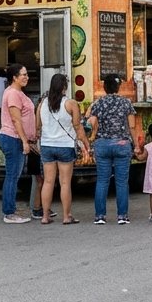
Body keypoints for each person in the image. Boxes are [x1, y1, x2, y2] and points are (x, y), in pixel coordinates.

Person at [37, 72, 88, 225]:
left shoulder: (42, 104)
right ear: (64, 87)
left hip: (47, 145)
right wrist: (86, 143)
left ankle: (45, 216)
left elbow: (37, 127)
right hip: (65, 146)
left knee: (48, 182)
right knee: (65, 183)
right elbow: (78, 127)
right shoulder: (70, 104)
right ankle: (66, 216)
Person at [88, 73, 136, 225]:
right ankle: (122, 216)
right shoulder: (126, 103)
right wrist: (136, 145)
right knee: (122, 182)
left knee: (102, 180)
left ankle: (100, 216)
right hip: (122, 144)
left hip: (102, 144)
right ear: (118, 86)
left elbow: (90, 123)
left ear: (105, 87)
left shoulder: (98, 103)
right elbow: (132, 126)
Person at [0, 64, 38, 224]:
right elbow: (16, 119)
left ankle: (11, 208)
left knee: (13, 175)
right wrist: (24, 141)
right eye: (23, 74)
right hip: (13, 138)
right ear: (14, 77)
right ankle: (9, 213)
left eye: (27, 74)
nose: (26, 77)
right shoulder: (13, 94)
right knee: (12, 176)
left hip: (15, 138)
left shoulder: (16, 92)